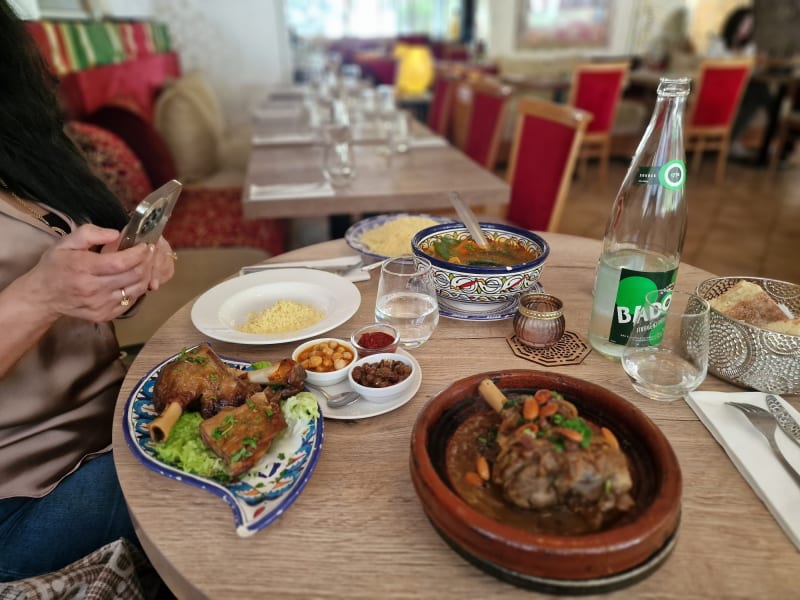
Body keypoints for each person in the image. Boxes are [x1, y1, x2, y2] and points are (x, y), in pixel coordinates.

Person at [0, 0, 176, 583]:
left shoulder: (19, 158)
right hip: (24, 502)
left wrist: (126, 273)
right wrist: (41, 296)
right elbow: (48, 295)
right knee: (224, 472)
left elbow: (88, 309)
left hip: (116, 418)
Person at [706, 6, 773, 157]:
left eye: (750, 26)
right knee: (760, 92)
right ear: (735, 22)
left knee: (758, 91)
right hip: (716, 88)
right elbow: (711, 67)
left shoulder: (749, 48)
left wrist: (759, 63)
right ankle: (734, 142)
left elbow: (751, 72)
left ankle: (732, 141)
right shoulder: (718, 43)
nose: (746, 29)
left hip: (738, 90)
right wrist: (737, 59)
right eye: (744, 24)